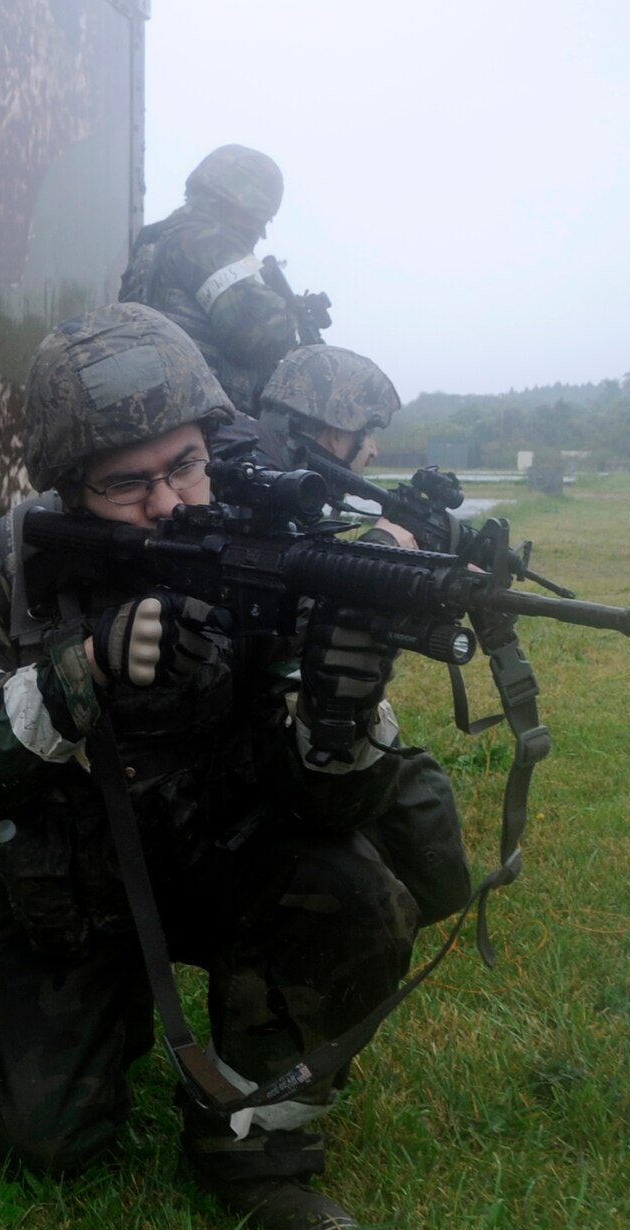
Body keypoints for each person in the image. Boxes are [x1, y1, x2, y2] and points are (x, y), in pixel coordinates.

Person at [0, 304, 419, 1230]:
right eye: (126, 485)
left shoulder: (267, 548)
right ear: (70, 490)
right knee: (40, 1134)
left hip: (230, 858)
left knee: (360, 899)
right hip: (79, 890)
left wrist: (343, 716)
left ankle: (252, 1141)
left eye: (186, 464)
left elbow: (335, 806)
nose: (169, 503)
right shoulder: (2, 571)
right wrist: (86, 668)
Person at [222, 344, 473, 928]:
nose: (375, 448)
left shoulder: (267, 471)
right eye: (368, 431)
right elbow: (284, 608)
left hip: (260, 718)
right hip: (235, 741)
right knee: (402, 806)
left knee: (414, 785)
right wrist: (379, 558)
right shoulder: (254, 485)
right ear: (331, 431)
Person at [120, 144, 298, 412]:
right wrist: (292, 320)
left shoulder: (160, 239)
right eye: (260, 219)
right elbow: (258, 332)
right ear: (240, 204)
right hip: (202, 417)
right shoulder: (208, 240)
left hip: (167, 407)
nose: (258, 231)